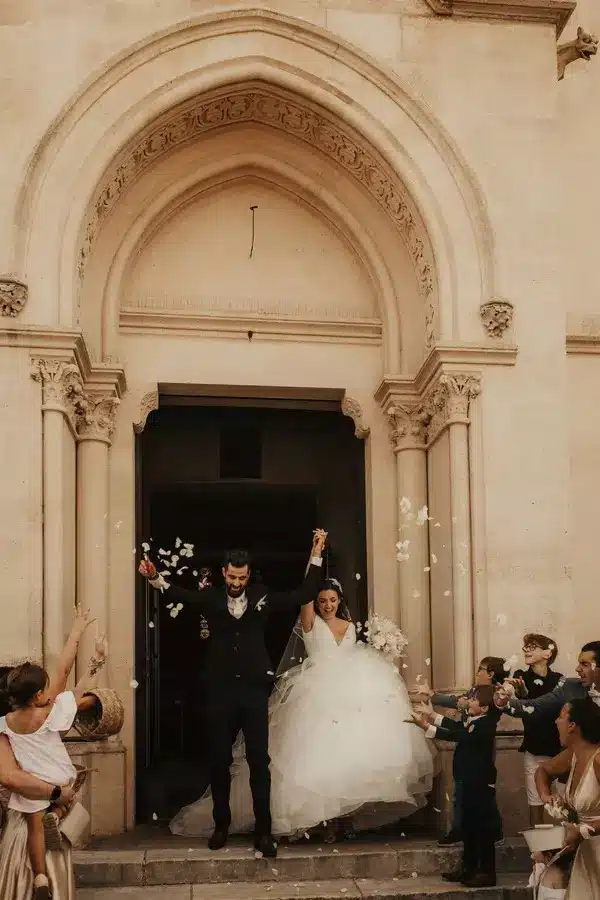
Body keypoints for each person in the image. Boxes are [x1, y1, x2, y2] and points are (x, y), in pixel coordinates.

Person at [170, 562, 434, 841]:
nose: (328, 605)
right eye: (322, 601)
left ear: (339, 601)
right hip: (318, 691)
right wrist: (315, 556)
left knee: (351, 757)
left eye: (332, 600)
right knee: (317, 759)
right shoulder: (310, 621)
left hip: (353, 691)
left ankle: (344, 819)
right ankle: (317, 822)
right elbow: (306, 591)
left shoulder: (351, 626)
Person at [139, 529, 327, 858]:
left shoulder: (263, 596)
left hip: (254, 690)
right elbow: (177, 594)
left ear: (247, 575)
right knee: (219, 760)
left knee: (259, 761)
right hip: (220, 690)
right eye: (232, 576)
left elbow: (305, 591)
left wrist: (316, 553)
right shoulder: (211, 598)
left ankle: (264, 833)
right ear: (224, 573)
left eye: (242, 577)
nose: (237, 581)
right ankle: (221, 825)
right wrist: (155, 577)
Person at [0, 608, 106, 900]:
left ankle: (39, 877)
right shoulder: (47, 715)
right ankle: (57, 817)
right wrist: (78, 633)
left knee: (35, 825)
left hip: (30, 788)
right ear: (37, 696)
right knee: (63, 804)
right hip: (57, 782)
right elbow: (64, 671)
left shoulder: (4, 725)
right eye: (46, 689)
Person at [412, 684, 500, 888]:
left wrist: (427, 727)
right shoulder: (474, 720)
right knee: (468, 828)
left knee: (482, 829)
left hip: (480, 785)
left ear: (485, 707)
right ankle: (468, 868)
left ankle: (486, 872)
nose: (468, 701)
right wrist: (433, 715)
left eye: (473, 699)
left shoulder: (487, 724)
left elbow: (458, 735)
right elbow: (457, 728)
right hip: (468, 781)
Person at [421, 655, 505, 846]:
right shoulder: (477, 692)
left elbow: (459, 707)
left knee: (479, 794)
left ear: (490, 673)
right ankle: (466, 829)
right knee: (463, 790)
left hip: (477, 751)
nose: (476, 673)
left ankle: (474, 830)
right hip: (466, 747)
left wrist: (432, 704)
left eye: (480, 670)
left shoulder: (495, 696)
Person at [535, 698, 600, 899]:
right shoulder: (574, 754)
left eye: (561, 716)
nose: (556, 721)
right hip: (585, 851)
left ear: (572, 725)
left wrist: (583, 830)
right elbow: (542, 771)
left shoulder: (598, 759)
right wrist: (548, 797)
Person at [510, 633, 563, 826]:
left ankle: (567, 850)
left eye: (532, 646)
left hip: (560, 751)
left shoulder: (559, 680)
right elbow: (519, 697)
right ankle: (538, 854)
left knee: (566, 804)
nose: (526, 650)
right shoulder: (520, 676)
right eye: (525, 646)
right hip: (534, 749)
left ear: (547, 653)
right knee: (535, 804)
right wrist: (520, 694)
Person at [495, 641, 600, 719]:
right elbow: (535, 706)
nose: (577, 669)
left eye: (585, 664)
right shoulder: (570, 687)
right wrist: (503, 702)